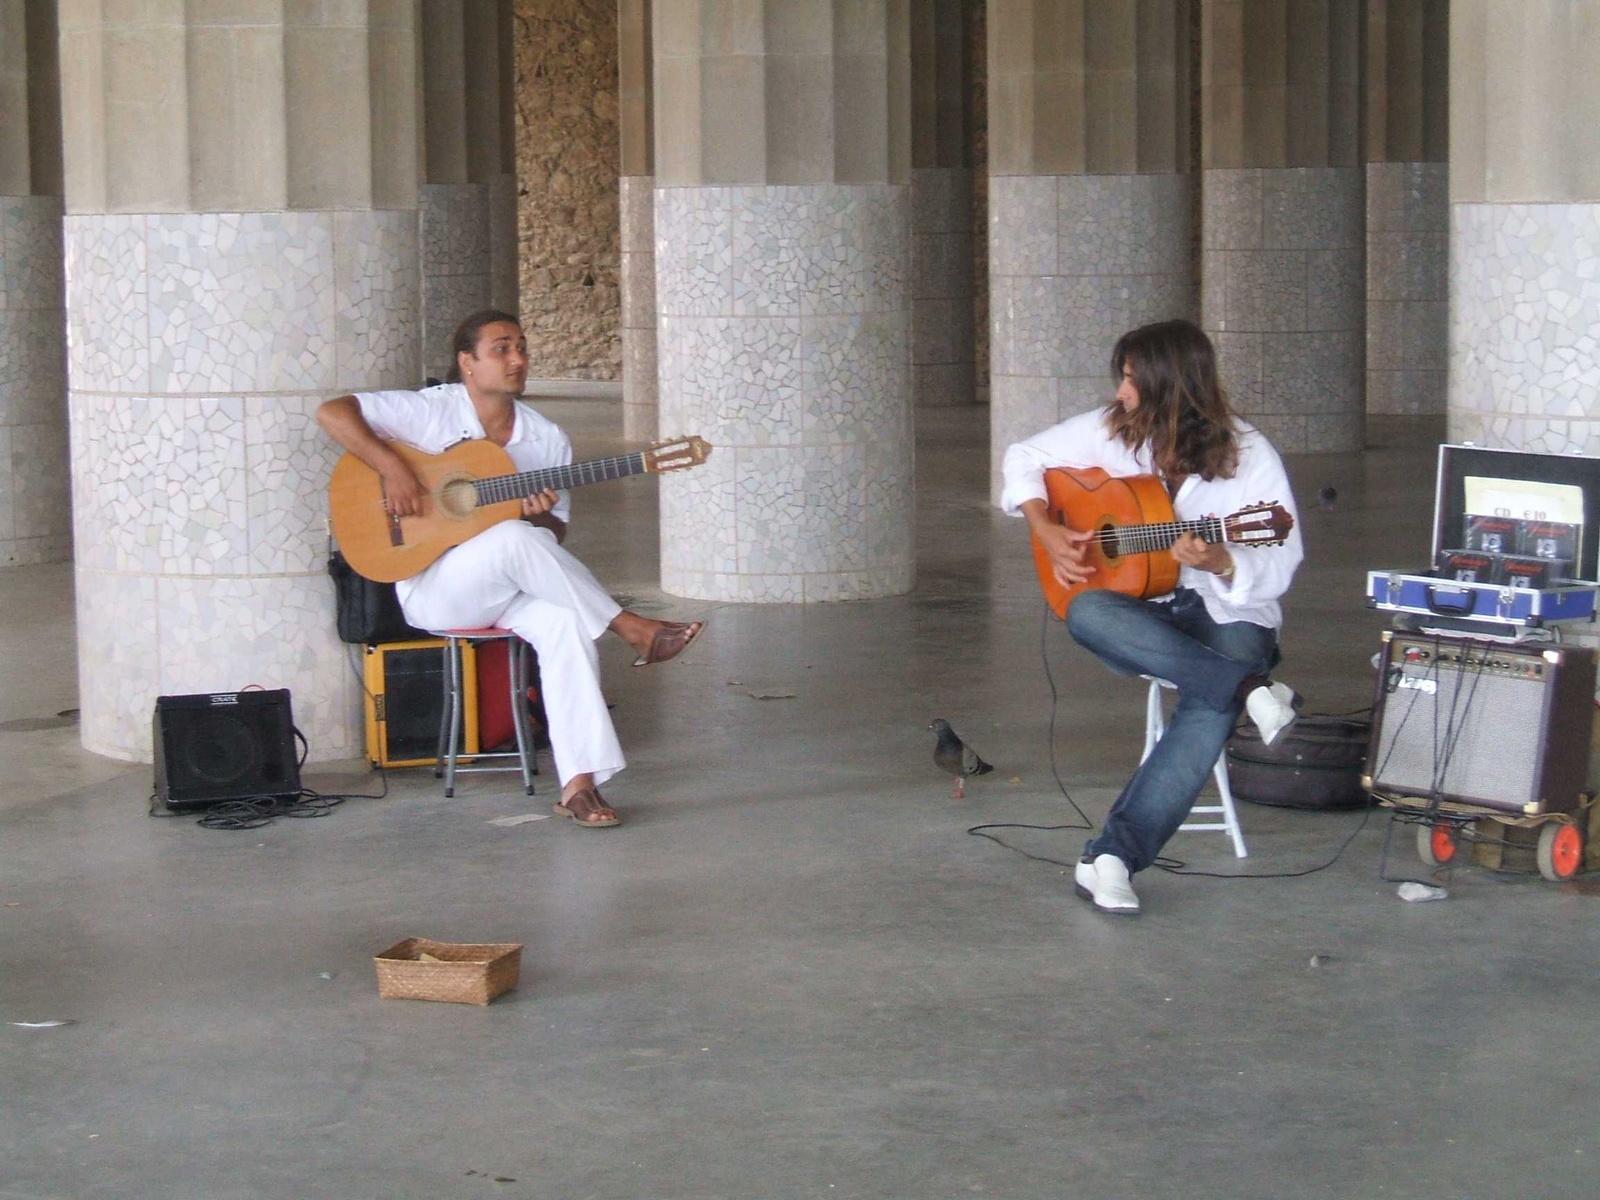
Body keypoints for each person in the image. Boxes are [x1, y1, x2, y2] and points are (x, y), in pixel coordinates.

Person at [317, 309, 703, 829]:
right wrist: (394, 471)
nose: (518, 358)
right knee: (512, 537)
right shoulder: (431, 412)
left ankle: (579, 787)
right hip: (435, 587)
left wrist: (537, 511)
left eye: (521, 346)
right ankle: (628, 626)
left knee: (565, 620)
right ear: (467, 363)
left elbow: (554, 535)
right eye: (501, 348)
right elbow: (333, 413)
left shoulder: (546, 439)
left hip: (510, 584)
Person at [1000, 319, 1304, 915]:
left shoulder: (1249, 456)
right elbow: (1025, 456)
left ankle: (1111, 858)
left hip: (1229, 608)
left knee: (1206, 703)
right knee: (1086, 609)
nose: (1120, 391)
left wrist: (1221, 560)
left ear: (1169, 383)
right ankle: (1249, 689)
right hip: (1149, 611)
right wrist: (1045, 523)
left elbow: (1280, 559)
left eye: (1132, 379)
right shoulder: (1115, 433)